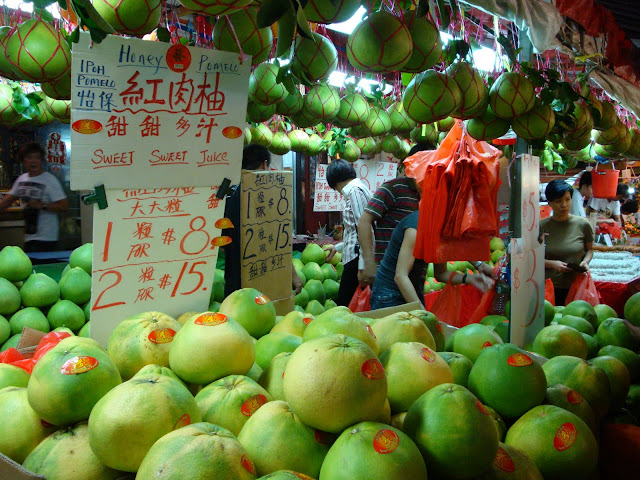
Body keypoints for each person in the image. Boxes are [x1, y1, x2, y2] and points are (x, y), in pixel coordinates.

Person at [370, 210, 495, 309]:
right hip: (388, 294)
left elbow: (441, 274)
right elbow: (400, 276)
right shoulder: (415, 228)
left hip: (414, 289)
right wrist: (422, 312)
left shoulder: (441, 230)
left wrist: (472, 278)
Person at [222, 145, 303, 298]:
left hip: (234, 288)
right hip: (264, 287)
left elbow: (223, 246)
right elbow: (280, 243)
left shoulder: (228, 197)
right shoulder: (270, 197)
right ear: (265, 164)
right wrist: (293, 276)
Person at [357, 143, 432, 287]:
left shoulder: (433, 195)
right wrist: (368, 262)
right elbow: (364, 221)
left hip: (416, 277)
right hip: (387, 276)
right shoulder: (392, 189)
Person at [0, 142, 68, 252]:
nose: (33, 161)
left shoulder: (49, 180)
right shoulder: (21, 180)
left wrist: (41, 205)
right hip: (28, 237)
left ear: (41, 160)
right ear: (23, 160)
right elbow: (5, 202)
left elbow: (64, 206)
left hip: (47, 238)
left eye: (37, 158)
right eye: (29, 157)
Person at [324, 159, 371, 306]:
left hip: (356, 259)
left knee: (345, 304)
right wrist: (337, 247)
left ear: (335, 181)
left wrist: (363, 265)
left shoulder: (355, 192)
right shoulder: (359, 190)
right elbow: (356, 232)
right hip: (355, 257)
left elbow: (364, 230)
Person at [541, 179, 594, 306]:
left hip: (576, 286)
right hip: (548, 288)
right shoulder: (540, 227)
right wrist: (552, 264)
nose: (564, 205)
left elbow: (590, 250)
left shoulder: (583, 224)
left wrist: (585, 262)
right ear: (549, 203)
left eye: (567, 199)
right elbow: (531, 258)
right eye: (558, 201)